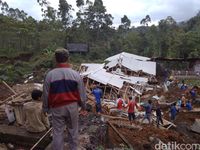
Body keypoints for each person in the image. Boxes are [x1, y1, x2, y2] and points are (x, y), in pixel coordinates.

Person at [43, 48, 87, 150]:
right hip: (72, 107)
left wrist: (45, 108)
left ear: (55, 59)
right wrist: (83, 107)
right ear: (68, 58)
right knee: (73, 131)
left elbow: (46, 94)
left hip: (57, 107)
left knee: (57, 132)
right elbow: (81, 94)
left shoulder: (50, 75)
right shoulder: (75, 74)